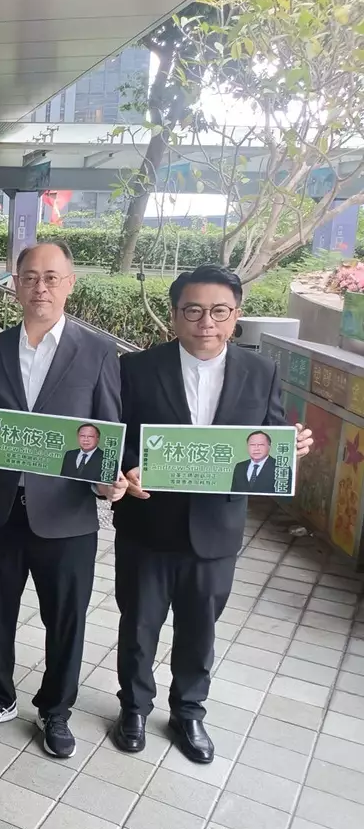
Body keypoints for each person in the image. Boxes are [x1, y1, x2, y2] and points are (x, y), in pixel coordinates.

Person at [112, 266, 312, 763]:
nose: (207, 322)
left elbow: (267, 437)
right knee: (138, 625)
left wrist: (290, 448)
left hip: (216, 528)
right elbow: (117, 434)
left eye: (219, 311)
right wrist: (128, 466)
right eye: (194, 310)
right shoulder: (136, 368)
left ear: (236, 315)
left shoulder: (260, 371)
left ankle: (188, 712)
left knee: (200, 629)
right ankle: (134, 707)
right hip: (147, 523)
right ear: (174, 315)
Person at [0, 241, 126, 759]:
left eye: (52, 277)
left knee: (66, 619)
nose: (41, 287)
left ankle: (55, 710)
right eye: (30, 277)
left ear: (70, 284)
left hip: (67, 515)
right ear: (15, 284)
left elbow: (108, 429)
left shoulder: (97, 351)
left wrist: (108, 481)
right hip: (0, 508)